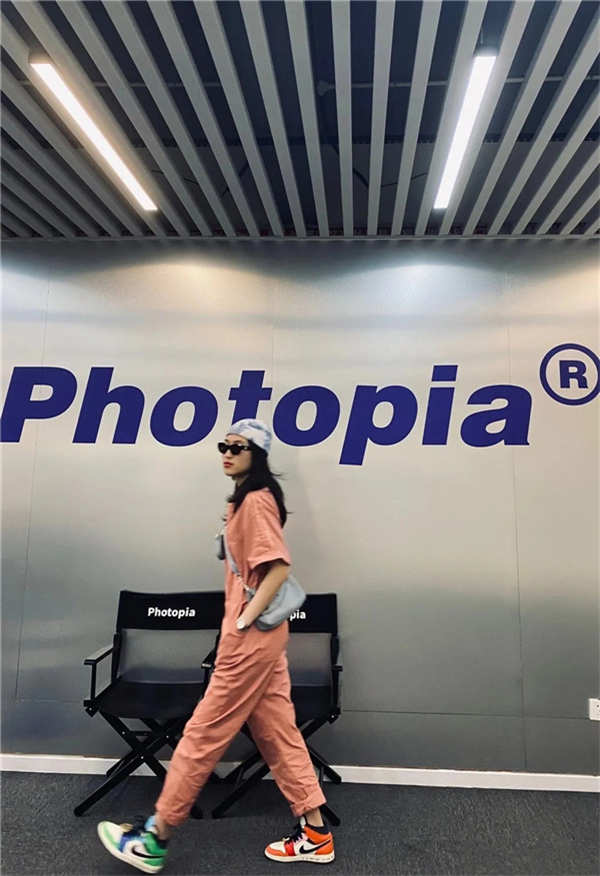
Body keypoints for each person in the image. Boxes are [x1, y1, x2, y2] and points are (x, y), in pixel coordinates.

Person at [97, 419, 335, 872]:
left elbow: (279, 568)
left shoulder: (257, 501)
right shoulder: (243, 501)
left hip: (249, 641)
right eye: (223, 445)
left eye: (237, 447)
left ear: (256, 454)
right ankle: (316, 834)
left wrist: (243, 621)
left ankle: (154, 839)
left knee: (202, 735)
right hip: (259, 640)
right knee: (279, 733)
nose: (227, 452)